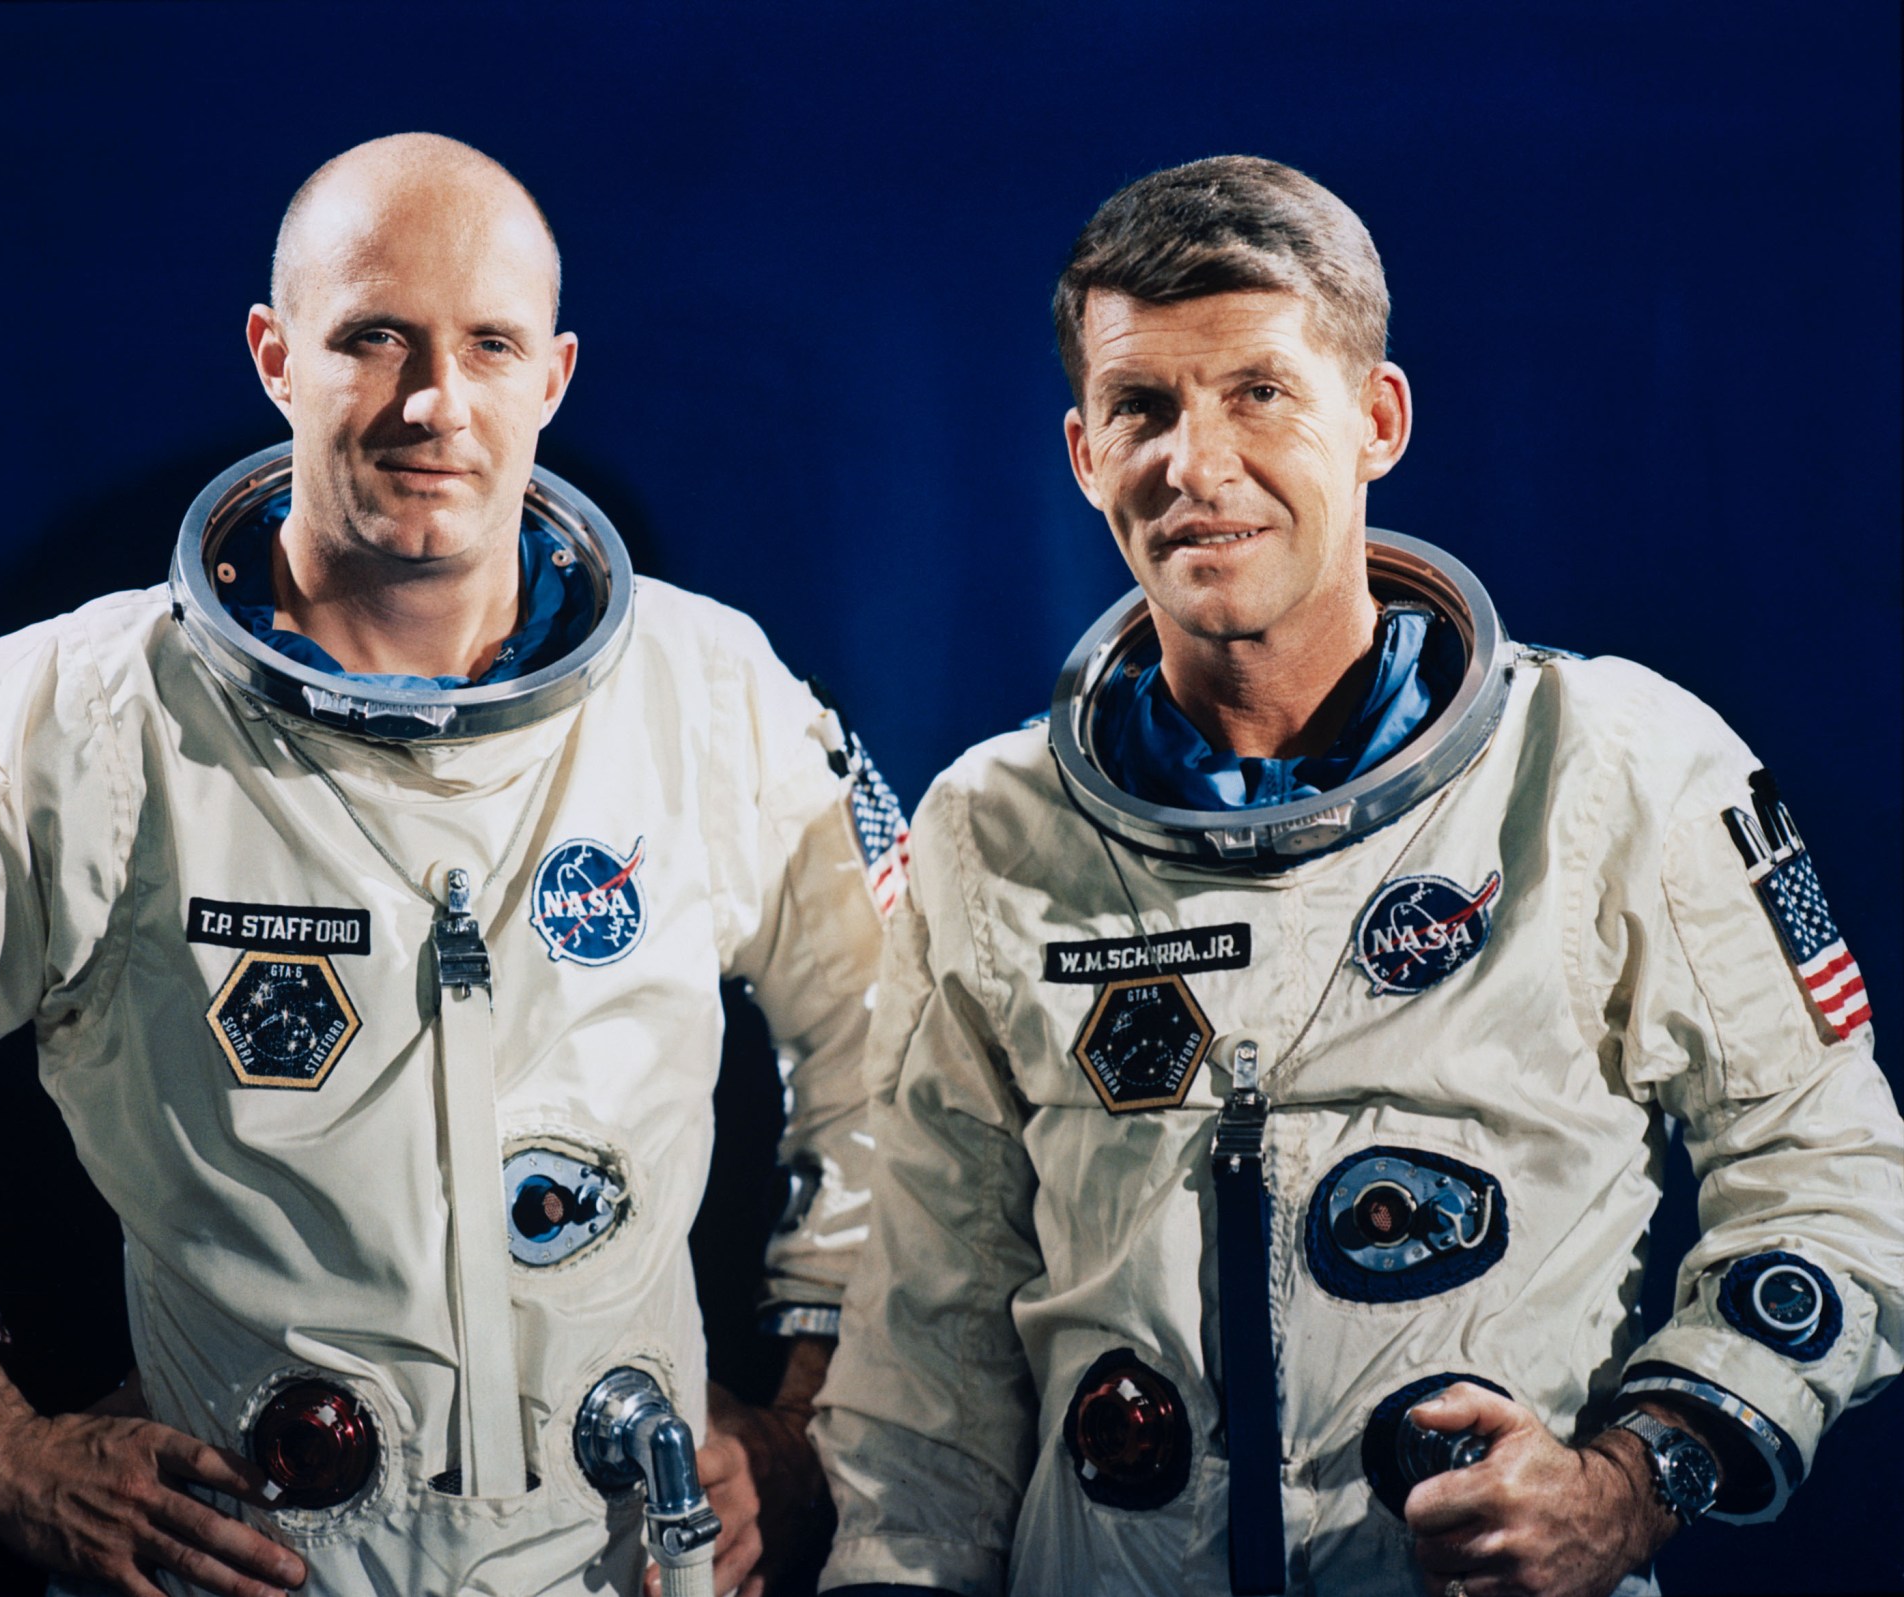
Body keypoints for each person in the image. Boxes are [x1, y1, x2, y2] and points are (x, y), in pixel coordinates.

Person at [810, 156, 1904, 1597]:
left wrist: (1633, 1484)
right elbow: (923, 1355)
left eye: (1259, 391)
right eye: (1143, 406)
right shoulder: (994, 830)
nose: (1196, 463)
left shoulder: (1608, 767)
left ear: (1376, 418)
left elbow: (1837, 1185)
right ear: (1084, 453)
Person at [0, 133, 900, 1597]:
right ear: (276, 357)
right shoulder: (86, 718)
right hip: (259, 1558)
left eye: (488, 344)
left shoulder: (706, 693)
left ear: (555, 375)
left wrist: (803, 1426)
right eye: (374, 341)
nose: (436, 403)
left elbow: (905, 1056)